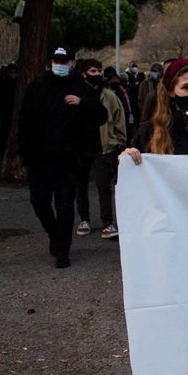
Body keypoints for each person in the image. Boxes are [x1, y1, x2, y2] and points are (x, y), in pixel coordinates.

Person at [18, 47, 107, 269]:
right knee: (39, 201)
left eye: (65, 61)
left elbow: (101, 115)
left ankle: (62, 249)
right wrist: (23, 153)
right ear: (51, 62)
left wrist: (82, 103)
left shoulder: (81, 88)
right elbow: (24, 120)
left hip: (68, 160)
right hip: (39, 158)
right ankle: (54, 234)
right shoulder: (38, 86)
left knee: (65, 204)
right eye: (57, 60)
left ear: (72, 62)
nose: (61, 64)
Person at [75, 59, 127, 240]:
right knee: (80, 186)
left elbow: (119, 118)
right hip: (80, 148)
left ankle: (107, 223)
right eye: (92, 70)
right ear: (83, 73)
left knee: (104, 186)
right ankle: (84, 219)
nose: (97, 74)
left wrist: (120, 141)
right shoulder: (76, 93)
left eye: (99, 70)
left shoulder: (108, 95)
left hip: (103, 148)